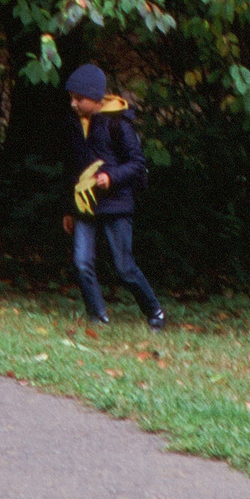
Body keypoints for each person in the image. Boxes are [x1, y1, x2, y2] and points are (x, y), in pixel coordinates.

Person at [62, 65, 167, 330]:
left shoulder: (118, 123)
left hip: (116, 204)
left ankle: (154, 311)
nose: (73, 104)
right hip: (84, 206)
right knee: (81, 262)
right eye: (71, 98)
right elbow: (72, 169)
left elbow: (136, 163)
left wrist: (111, 177)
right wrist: (68, 208)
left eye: (79, 98)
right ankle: (98, 317)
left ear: (96, 98)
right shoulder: (74, 124)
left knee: (124, 267)